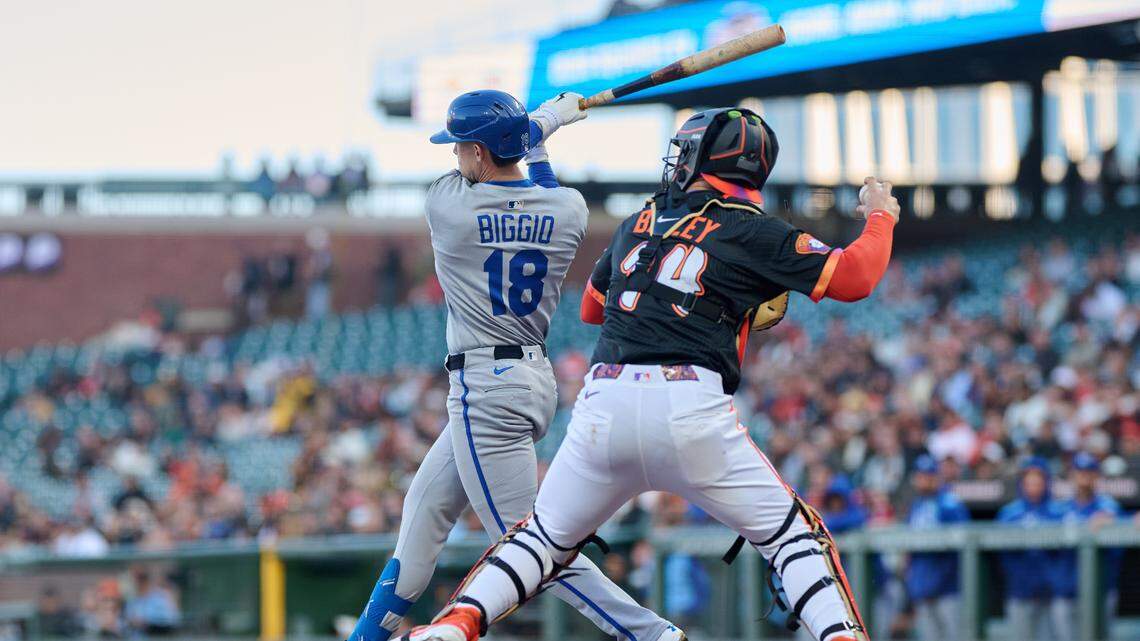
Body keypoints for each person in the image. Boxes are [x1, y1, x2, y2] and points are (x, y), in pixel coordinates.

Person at [399, 107, 899, 641]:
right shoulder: (752, 230)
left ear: (698, 160)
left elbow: (594, 310)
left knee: (541, 540)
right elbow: (855, 277)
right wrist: (880, 215)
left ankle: (453, 627)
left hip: (604, 402)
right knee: (793, 537)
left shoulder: (638, 221)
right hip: (690, 405)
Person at [345, 90, 682, 641]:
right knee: (423, 515)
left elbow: (509, 162)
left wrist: (547, 119)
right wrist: (542, 134)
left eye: (461, 148)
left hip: (486, 386)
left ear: (480, 152)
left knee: (532, 549)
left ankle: (652, 635)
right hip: (528, 377)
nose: (456, 157)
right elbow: (536, 182)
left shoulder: (447, 205)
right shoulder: (569, 209)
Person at [996, 458, 1070, 641]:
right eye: (1029, 480)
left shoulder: (1059, 512)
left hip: (1052, 595)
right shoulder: (1009, 513)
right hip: (1020, 593)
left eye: (1038, 480)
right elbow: (1001, 557)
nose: (1033, 485)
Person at [904, 455, 969, 641]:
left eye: (929, 475)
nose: (924, 480)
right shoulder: (916, 505)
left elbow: (961, 546)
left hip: (948, 587)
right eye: (921, 476)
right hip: (922, 586)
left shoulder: (950, 502)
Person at [1059, 452, 1123, 636]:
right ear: (1072, 475)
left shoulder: (1108, 506)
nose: (1084, 477)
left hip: (1101, 590)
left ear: (1096, 476)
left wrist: (1114, 523)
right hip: (1068, 590)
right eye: (1080, 472)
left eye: (1089, 472)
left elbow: (1123, 541)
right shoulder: (1062, 508)